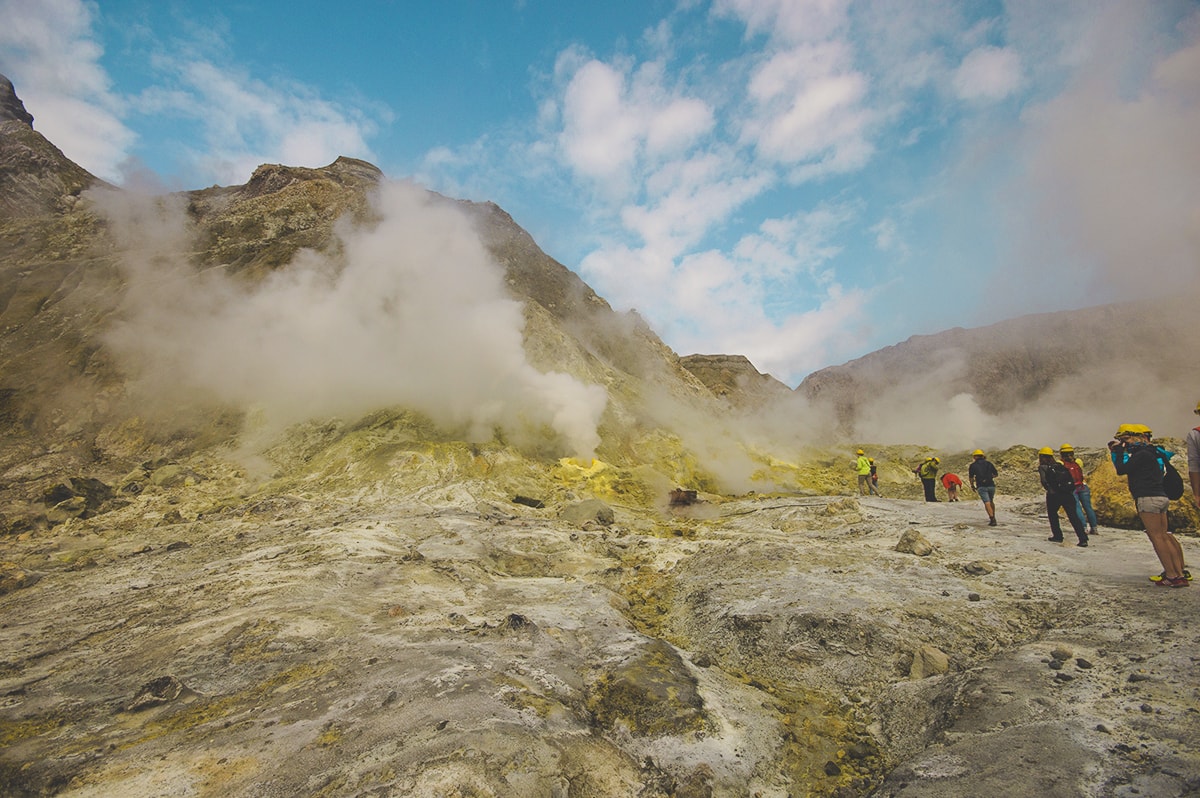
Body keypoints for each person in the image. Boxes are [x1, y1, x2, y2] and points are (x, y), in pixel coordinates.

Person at [1109, 424, 1187, 587]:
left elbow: (1121, 469)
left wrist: (1117, 451)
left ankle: (1172, 575)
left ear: (1138, 437)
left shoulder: (1142, 454)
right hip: (1161, 496)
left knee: (1157, 537)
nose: (1125, 443)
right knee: (1164, 535)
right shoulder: (1155, 452)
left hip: (1147, 498)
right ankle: (1179, 574)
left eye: (1126, 439)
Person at [1037, 447, 1088, 547]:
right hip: (1067, 494)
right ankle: (1083, 538)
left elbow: (1044, 481)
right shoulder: (1059, 465)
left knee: (1053, 515)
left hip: (1054, 495)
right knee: (1073, 516)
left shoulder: (1043, 467)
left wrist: (1050, 490)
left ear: (1041, 456)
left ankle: (1058, 536)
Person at [1059, 444, 1098, 537]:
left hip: (1072, 488)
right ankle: (1094, 527)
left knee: (1077, 508)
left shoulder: (1061, 463)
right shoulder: (1078, 461)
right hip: (1083, 486)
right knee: (1088, 507)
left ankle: (1083, 527)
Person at [968, 449, 998, 525]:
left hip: (981, 486)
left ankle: (992, 519)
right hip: (991, 485)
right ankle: (993, 516)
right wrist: (989, 477)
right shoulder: (989, 463)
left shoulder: (973, 465)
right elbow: (995, 474)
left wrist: (972, 485)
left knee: (986, 502)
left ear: (975, 456)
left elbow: (971, 477)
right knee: (991, 501)